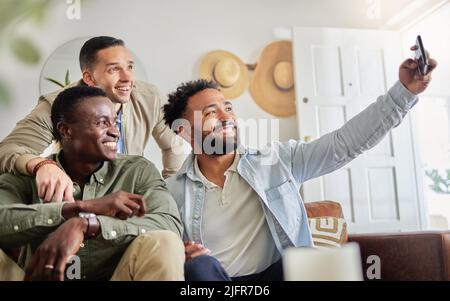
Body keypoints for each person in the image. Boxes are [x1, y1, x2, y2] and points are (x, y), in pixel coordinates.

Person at [163, 50, 437, 281]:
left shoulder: (278, 161)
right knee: (197, 268)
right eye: (211, 113)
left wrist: (404, 93)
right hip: (218, 281)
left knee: (304, 260)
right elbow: (156, 247)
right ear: (185, 131)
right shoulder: (170, 192)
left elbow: (346, 144)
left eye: (228, 108)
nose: (227, 117)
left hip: (277, 276)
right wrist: (178, 252)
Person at [0, 86, 184, 281]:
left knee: (164, 241)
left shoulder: (137, 171)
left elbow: (169, 223)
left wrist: (89, 223)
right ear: (66, 130)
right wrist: (76, 209)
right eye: (102, 123)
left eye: (114, 122)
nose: (114, 131)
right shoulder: (32, 175)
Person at [0, 36, 185, 204]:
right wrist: (42, 164)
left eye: (129, 67)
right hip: (76, 202)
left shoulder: (149, 97)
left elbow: (173, 146)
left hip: (129, 206)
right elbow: (8, 150)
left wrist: (167, 195)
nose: (128, 78)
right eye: (114, 69)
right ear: (89, 77)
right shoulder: (57, 105)